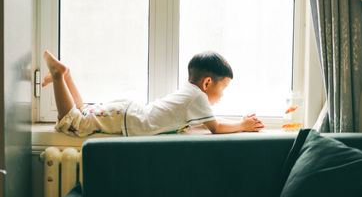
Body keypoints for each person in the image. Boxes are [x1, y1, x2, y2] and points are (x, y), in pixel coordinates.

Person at [42, 50, 264, 137]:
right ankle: (60, 76)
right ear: (207, 83)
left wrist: (240, 121)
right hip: (129, 119)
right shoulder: (198, 97)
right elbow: (215, 127)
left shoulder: (190, 92)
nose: (223, 95)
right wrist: (243, 125)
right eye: (223, 88)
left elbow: (211, 121)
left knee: (82, 113)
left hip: (128, 111)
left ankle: (66, 77)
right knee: (73, 123)